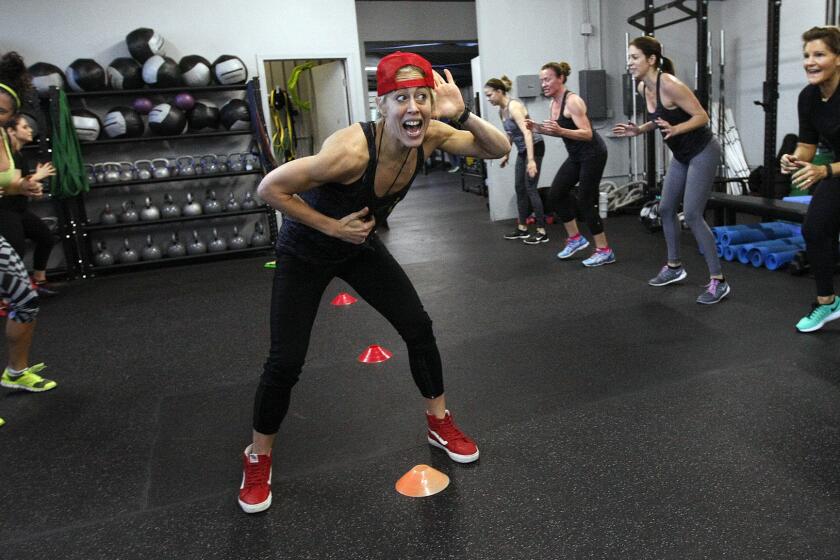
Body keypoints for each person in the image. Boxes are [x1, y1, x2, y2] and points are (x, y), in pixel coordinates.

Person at [238, 52, 510, 514]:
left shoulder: (430, 136)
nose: (414, 108)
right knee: (285, 362)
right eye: (400, 98)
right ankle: (257, 455)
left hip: (358, 245)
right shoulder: (349, 151)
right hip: (306, 250)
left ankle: (438, 422)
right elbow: (270, 189)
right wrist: (331, 227)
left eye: (421, 97)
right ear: (381, 106)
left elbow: (498, 148)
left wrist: (462, 111)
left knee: (418, 327)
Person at [613, 37, 729, 303]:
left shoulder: (670, 85)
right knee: (665, 209)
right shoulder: (644, 87)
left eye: (634, 57)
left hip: (703, 151)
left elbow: (702, 116)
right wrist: (640, 129)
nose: (629, 63)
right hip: (681, 155)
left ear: (651, 60)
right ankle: (675, 267)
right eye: (629, 58)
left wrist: (677, 129)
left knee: (691, 214)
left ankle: (718, 281)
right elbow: (658, 119)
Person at [0, 51, 58, 428]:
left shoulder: (4, 141)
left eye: (4, 111)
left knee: (24, 299)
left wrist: (21, 187)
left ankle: (15, 372)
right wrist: (20, 185)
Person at [780, 26, 840, 332]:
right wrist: (795, 158)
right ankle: (827, 301)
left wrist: (825, 170)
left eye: (820, 54)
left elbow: (825, 167)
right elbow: (808, 145)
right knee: (814, 229)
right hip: (837, 169)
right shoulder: (809, 97)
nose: (810, 62)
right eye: (806, 55)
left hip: (834, 169)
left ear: (838, 59)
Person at [527, 62, 614, 266]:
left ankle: (604, 250)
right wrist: (537, 127)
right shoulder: (553, 104)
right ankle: (575, 239)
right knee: (555, 194)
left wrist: (561, 132)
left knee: (584, 200)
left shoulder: (573, 101)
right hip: (576, 155)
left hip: (593, 154)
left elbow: (587, 133)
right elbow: (555, 129)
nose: (543, 84)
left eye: (547, 79)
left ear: (561, 78)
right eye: (541, 80)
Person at [484, 76, 548, 244]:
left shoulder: (514, 107)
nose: (488, 99)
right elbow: (511, 134)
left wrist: (532, 160)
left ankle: (542, 231)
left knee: (530, 188)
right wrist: (506, 153)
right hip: (522, 150)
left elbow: (527, 132)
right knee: (520, 188)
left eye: (490, 95)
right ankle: (522, 228)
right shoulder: (501, 111)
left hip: (534, 146)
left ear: (499, 91)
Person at [1, 113, 58, 294]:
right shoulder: (7, 157)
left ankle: (39, 281)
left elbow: (20, 186)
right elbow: (11, 186)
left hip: (19, 209)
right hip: (4, 210)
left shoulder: (19, 155)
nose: (30, 130)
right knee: (15, 250)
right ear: (10, 131)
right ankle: (7, 294)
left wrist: (35, 189)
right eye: (24, 127)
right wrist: (36, 178)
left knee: (46, 238)